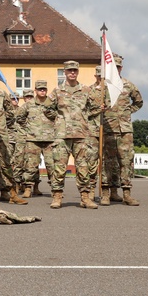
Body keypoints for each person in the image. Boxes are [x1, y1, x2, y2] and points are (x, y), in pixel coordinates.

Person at [47, 61, 101, 209]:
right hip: (62, 135)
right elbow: (47, 108)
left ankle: (85, 197)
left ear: (78, 72)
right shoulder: (57, 91)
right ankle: (57, 197)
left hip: (81, 134)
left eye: (75, 70)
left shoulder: (85, 90)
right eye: (69, 70)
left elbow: (96, 107)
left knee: (83, 167)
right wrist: (59, 119)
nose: (72, 73)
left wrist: (82, 117)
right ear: (64, 72)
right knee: (59, 167)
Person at [100, 56, 144, 206]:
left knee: (126, 161)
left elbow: (139, 101)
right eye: (113, 67)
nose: (116, 69)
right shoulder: (102, 86)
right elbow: (91, 104)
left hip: (125, 130)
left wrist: (127, 112)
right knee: (108, 161)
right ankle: (107, 193)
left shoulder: (128, 85)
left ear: (121, 68)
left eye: (118, 67)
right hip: (108, 129)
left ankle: (127, 193)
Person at [15, 83, 55, 198]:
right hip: (33, 139)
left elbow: (59, 116)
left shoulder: (52, 103)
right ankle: (28, 188)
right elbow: (19, 117)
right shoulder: (29, 104)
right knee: (30, 166)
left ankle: (55, 189)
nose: (42, 91)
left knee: (52, 165)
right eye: (40, 89)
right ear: (35, 90)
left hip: (49, 139)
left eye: (44, 89)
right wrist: (29, 128)